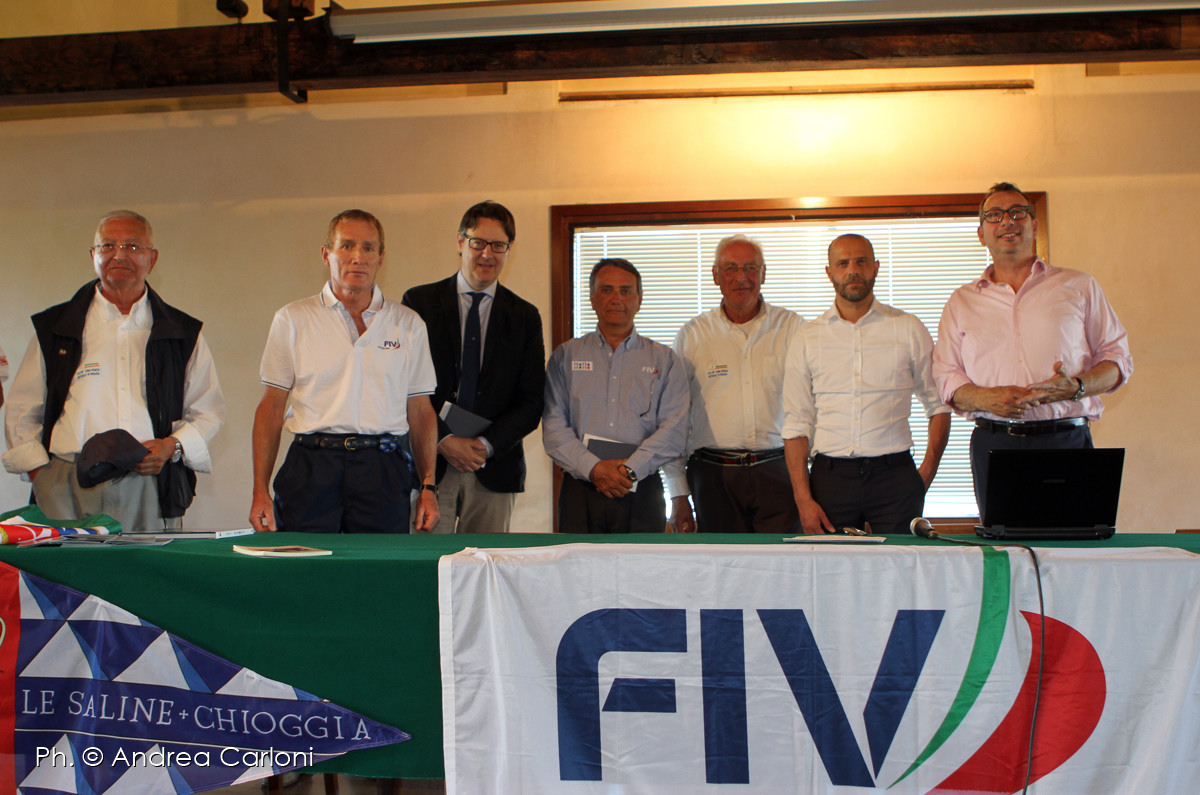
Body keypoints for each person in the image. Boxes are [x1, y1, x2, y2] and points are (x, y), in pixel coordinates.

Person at [3, 210, 225, 531]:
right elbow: (23, 407)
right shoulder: (55, 328)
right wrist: (42, 475)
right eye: (107, 246)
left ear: (152, 258)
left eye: (132, 246)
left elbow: (208, 411)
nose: (119, 255)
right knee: (68, 565)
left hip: (149, 482)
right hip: (66, 483)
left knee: (146, 565)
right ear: (93, 255)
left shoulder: (181, 332)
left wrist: (171, 446)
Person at [932, 182, 1133, 507]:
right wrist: (984, 398)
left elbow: (1118, 361)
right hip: (994, 444)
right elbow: (946, 375)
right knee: (1003, 538)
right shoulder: (961, 301)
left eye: (1018, 212)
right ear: (981, 234)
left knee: (1075, 535)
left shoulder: (1079, 285)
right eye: (994, 215)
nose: (1007, 221)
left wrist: (1077, 386)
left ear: (1034, 226)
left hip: (1067, 441)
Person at [249, 209, 440, 534]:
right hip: (310, 466)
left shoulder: (408, 324)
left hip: (382, 469)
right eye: (347, 246)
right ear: (326, 254)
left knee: (377, 565)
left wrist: (428, 487)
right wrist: (259, 490)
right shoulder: (292, 319)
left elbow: (421, 412)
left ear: (381, 258)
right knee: (303, 561)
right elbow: (271, 407)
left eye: (368, 248)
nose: (358, 257)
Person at [783, 233, 951, 534]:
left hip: (895, 476)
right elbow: (796, 422)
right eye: (843, 264)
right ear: (829, 272)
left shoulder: (908, 328)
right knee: (834, 563)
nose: (853, 270)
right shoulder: (807, 337)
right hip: (830, 479)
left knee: (900, 562)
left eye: (861, 262)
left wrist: (924, 473)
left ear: (875, 267)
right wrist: (802, 499)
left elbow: (938, 405)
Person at [401, 201, 545, 533]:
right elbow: (402, 386)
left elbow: (532, 400)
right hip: (430, 466)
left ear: (509, 249)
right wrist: (443, 440)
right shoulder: (419, 303)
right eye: (478, 242)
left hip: (494, 467)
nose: (487, 254)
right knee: (426, 560)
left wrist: (484, 446)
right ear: (460, 242)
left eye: (498, 245)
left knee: (486, 562)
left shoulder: (525, 317)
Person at [664, 235, 803, 533]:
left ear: (763, 273)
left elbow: (814, 406)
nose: (741, 277)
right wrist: (677, 492)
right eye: (731, 268)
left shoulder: (794, 329)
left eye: (750, 268)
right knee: (722, 560)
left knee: (782, 560)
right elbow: (673, 419)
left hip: (780, 472)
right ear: (716, 275)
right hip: (713, 477)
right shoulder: (692, 335)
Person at [542, 258, 689, 533]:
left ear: (639, 300)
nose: (616, 299)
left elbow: (674, 429)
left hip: (642, 488)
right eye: (606, 290)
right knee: (578, 561)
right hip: (581, 488)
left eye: (626, 291)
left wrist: (629, 470)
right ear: (592, 298)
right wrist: (594, 469)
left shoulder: (665, 359)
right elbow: (554, 428)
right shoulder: (566, 356)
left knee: (641, 562)